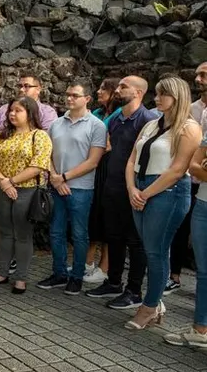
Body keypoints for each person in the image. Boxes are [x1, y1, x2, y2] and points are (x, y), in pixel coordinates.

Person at [123, 76, 201, 330]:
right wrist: (133, 188)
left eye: (161, 94)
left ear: (176, 97)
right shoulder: (152, 124)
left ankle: (149, 306)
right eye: (155, 94)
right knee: (152, 249)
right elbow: (132, 158)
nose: (155, 99)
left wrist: (144, 194)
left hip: (168, 192)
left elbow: (178, 170)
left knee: (155, 251)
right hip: (141, 186)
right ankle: (155, 302)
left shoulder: (188, 128)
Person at [85, 76, 155, 309]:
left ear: (138, 93)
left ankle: (134, 291)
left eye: (124, 86)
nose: (118, 89)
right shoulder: (117, 119)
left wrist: (138, 189)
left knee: (135, 241)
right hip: (112, 186)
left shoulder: (148, 120)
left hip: (135, 190)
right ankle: (113, 282)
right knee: (113, 236)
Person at [0, 74, 58, 267]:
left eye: (27, 86)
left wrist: (10, 181)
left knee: (20, 228)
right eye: (20, 85)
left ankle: (17, 265)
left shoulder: (46, 113)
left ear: (39, 88)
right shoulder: (5, 110)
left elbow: (44, 140)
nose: (22, 89)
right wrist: (2, 177)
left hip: (25, 182)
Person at [36, 82, 106, 295]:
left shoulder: (96, 126)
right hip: (57, 186)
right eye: (68, 95)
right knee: (56, 232)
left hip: (81, 189)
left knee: (79, 234)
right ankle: (59, 273)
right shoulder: (56, 124)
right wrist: (56, 178)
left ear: (87, 99)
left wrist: (63, 178)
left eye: (75, 95)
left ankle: (76, 276)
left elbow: (93, 161)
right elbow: (46, 154)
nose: (69, 99)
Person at [0, 97, 52, 294]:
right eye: (11, 110)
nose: (12, 114)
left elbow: (38, 165)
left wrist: (11, 181)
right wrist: (4, 183)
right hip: (3, 189)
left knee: (22, 234)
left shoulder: (39, 136)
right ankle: (2, 272)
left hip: (27, 191)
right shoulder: (2, 136)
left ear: (30, 114)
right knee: (4, 232)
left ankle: (21, 277)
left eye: (18, 110)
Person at [167, 61, 207, 294]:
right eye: (197, 75)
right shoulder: (191, 109)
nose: (198, 79)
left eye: (203, 75)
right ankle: (174, 275)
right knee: (180, 228)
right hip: (188, 178)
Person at [164, 134, 207, 347]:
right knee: (204, 272)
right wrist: (202, 167)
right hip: (203, 205)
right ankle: (200, 330)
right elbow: (194, 168)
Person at [85, 77, 121, 284]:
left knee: (108, 217)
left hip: (108, 167)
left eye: (103, 89)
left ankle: (104, 266)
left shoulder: (117, 115)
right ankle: (88, 261)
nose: (99, 91)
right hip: (95, 167)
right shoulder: (98, 113)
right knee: (94, 215)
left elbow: (109, 143)